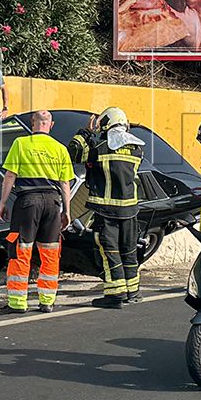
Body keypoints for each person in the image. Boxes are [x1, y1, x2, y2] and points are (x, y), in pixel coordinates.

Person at [0, 110, 74, 315]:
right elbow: (65, 183)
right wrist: (66, 211)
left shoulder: (21, 144)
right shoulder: (60, 149)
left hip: (27, 202)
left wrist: (3, 203)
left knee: (21, 251)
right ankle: (47, 301)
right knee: (50, 253)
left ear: (33, 124)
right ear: (51, 125)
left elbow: (10, 175)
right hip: (52, 202)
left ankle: (17, 303)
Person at [69, 107, 145, 308]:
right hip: (130, 210)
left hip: (106, 210)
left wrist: (86, 132)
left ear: (105, 123)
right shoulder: (137, 149)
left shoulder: (99, 148)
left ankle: (115, 295)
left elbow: (74, 153)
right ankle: (132, 292)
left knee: (110, 251)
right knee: (129, 250)